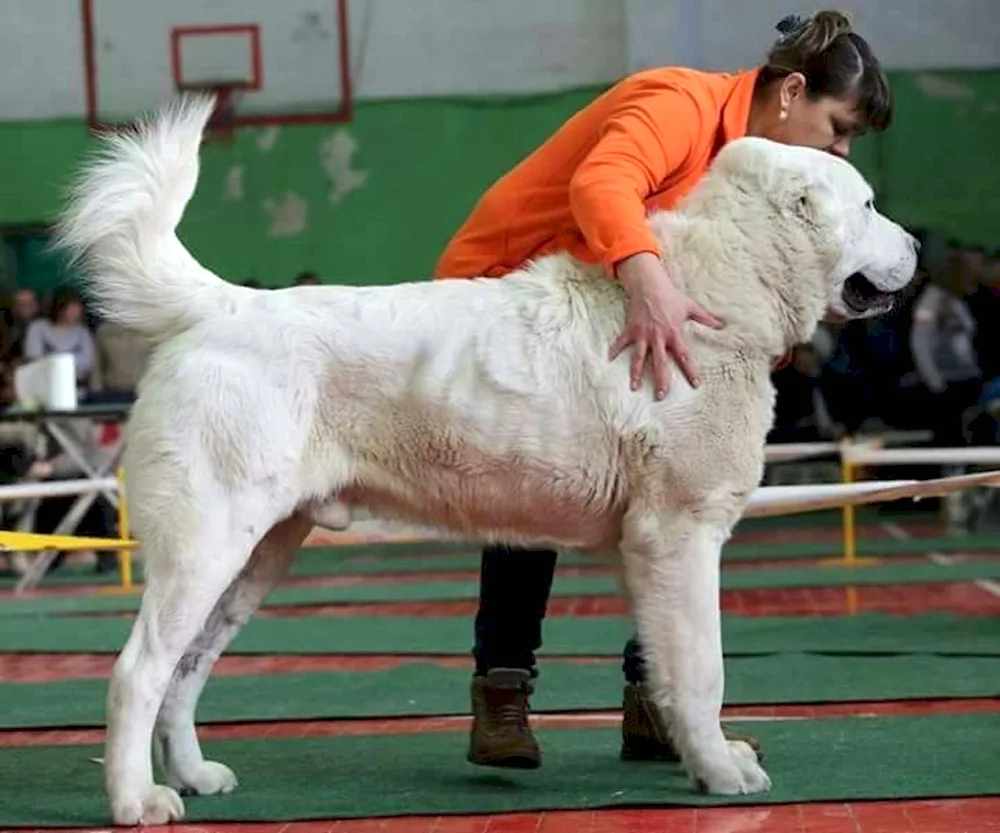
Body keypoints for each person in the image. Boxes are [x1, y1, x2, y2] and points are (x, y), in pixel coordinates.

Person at [434, 10, 893, 769]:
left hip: (601, 305)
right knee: (537, 494)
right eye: (837, 128)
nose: (837, 151)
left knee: (685, 497)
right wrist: (648, 281)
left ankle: (655, 697)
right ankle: (503, 691)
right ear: (793, 93)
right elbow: (602, 184)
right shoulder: (681, 101)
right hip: (508, 297)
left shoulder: (754, 169)